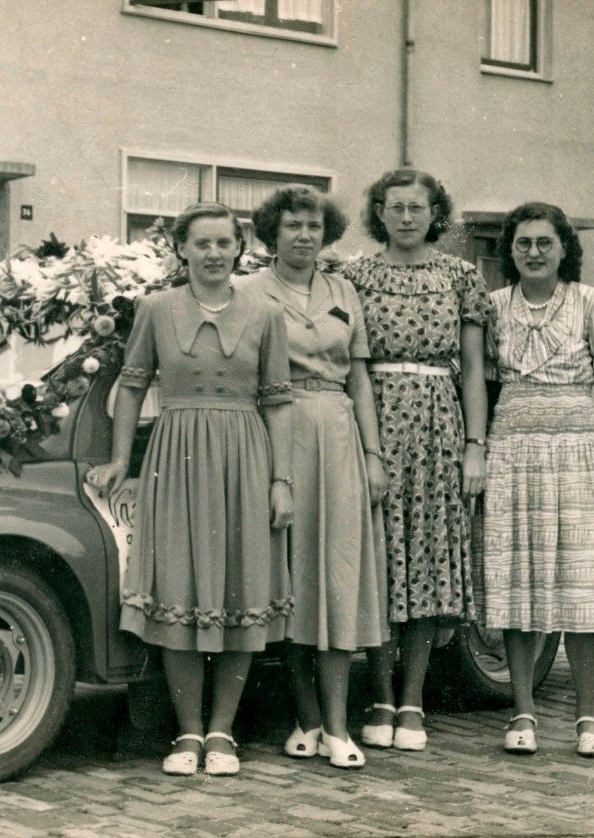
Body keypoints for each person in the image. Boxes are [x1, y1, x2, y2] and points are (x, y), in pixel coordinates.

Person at [87, 202, 296, 777]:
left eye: (223, 243)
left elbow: (278, 402)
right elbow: (131, 387)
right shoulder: (156, 309)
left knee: (238, 584)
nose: (212, 254)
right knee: (178, 583)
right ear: (181, 249)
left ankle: (223, 732)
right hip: (175, 459)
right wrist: (119, 461)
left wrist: (282, 480)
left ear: (239, 249)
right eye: (200, 244)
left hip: (245, 458)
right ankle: (186, 732)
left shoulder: (265, 313)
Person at [477, 201, 594, 758]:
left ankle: (587, 717)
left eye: (545, 242)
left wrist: (576, 436)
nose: (535, 253)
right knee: (519, 579)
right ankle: (522, 713)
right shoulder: (493, 307)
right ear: (510, 251)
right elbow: (489, 393)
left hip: (576, 456)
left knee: (579, 585)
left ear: (565, 248)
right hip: (511, 455)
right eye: (523, 244)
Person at [237, 185, 387, 770]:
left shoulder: (344, 291)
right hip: (275, 433)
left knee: (337, 574)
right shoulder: (250, 292)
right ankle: (306, 718)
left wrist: (373, 455)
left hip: (338, 437)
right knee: (291, 575)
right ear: (272, 232)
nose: (304, 235)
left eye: (314, 227)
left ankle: (339, 726)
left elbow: (360, 379)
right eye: (293, 225)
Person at [342, 168, 491, 752]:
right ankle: (379, 694)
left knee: (427, 560)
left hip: (439, 428)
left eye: (417, 207)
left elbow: (475, 370)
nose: (406, 217)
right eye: (395, 207)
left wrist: (475, 446)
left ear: (436, 213)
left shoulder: (460, 276)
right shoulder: (354, 276)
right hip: (373, 423)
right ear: (379, 212)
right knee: (381, 561)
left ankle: (413, 699)